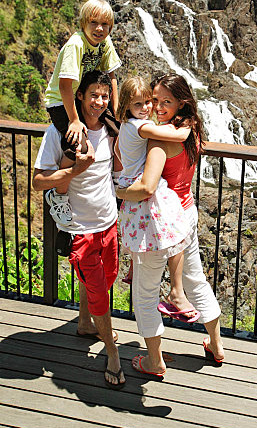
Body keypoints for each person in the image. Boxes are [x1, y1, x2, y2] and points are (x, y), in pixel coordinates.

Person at [116, 73, 225, 378]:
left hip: (159, 224)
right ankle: (216, 346)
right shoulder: (191, 131)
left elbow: (147, 188)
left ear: (181, 103)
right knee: (196, 280)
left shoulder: (159, 140)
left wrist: (116, 191)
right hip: (186, 215)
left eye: (167, 102)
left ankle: (154, 361)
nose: (158, 107)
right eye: (155, 100)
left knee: (146, 293)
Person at [33, 70, 125, 389]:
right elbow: (38, 181)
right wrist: (75, 170)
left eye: (104, 96)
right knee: (99, 292)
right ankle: (112, 354)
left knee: (107, 279)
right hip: (79, 230)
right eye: (92, 95)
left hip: (108, 222)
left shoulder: (111, 129)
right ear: (79, 97)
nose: (98, 102)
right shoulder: (59, 134)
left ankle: (86, 324)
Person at [116, 76, 199, 322]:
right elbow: (179, 137)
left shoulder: (128, 125)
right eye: (139, 104)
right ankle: (176, 291)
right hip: (141, 186)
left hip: (129, 181)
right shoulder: (142, 127)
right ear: (127, 107)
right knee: (177, 231)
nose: (148, 108)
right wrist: (187, 125)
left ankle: (133, 269)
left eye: (149, 102)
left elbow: (118, 152)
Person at [43, 0, 121, 226]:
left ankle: (117, 184)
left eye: (105, 24)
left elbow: (112, 76)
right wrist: (75, 121)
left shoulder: (105, 43)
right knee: (77, 144)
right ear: (83, 22)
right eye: (94, 22)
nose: (99, 28)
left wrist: (114, 111)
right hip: (61, 101)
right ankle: (58, 195)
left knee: (117, 131)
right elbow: (65, 85)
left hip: (84, 98)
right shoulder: (75, 45)